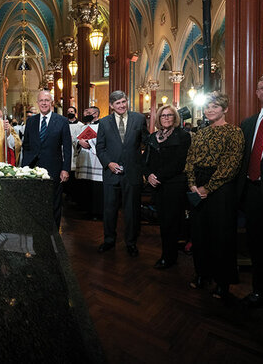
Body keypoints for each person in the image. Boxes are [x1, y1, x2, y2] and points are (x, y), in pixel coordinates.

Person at [185, 92, 244, 299]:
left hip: (222, 188)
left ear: (225, 109)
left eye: (215, 107)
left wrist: (207, 188)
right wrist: (193, 184)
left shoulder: (234, 132)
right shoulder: (200, 133)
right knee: (199, 234)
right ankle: (202, 274)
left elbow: (230, 165)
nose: (210, 110)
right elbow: (190, 159)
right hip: (197, 184)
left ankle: (223, 282)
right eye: (208, 107)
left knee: (221, 236)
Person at [96, 90, 149, 256]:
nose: (121, 105)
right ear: (111, 106)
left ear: (127, 102)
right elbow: (100, 147)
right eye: (117, 103)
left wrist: (141, 164)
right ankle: (109, 240)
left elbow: (146, 143)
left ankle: (131, 243)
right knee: (110, 209)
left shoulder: (139, 118)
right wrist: (108, 163)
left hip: (132, 173)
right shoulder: (104, 123)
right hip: (111, 173)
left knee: (132, 210)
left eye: (123, 102)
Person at [237, 73, 263, 307]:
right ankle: (261, 292)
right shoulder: (248, 123)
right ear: (257, 93)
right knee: (258, 247)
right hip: (252, 193)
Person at [144, 105, 191, 269]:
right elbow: (146, 161)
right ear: (158, 118)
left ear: (175, 117)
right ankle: (166, 254)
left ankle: (169, 257)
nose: (166, 117)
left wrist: (158, 176)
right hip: (157, 185)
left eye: (169, 115)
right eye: (163, 115)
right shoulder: (152, 137)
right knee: (163, 222)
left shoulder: (183, 136)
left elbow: (179, 163)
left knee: (172, 223)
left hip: (174, 185)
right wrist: (148, 175)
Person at [21, 90, 72, 228]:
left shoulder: (62, 121)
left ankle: (53, 234)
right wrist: (24, 168)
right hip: (33, 169)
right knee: (35, 201)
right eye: (41, 100)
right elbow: (26, 146)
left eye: (47, 100)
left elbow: (67, 148)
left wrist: (65, 169)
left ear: (51, 103)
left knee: (54, 203)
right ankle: (38, 232)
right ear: (37, 103)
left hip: (54, 168)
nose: (44, 103)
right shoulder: (31, 121)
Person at [75, 106, 103, 219]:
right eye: (86, 112)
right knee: (86, 185)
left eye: (90, 113)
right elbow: (76, 139)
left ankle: (98, 212)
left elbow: (103, 140)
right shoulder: (83, 127)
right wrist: (79, 142)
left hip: (96, 159)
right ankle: (87, 209)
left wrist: (90, 142)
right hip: (84, 159)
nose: (87, 114)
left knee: (96, 187)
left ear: (96, 114)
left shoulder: (102, 126)